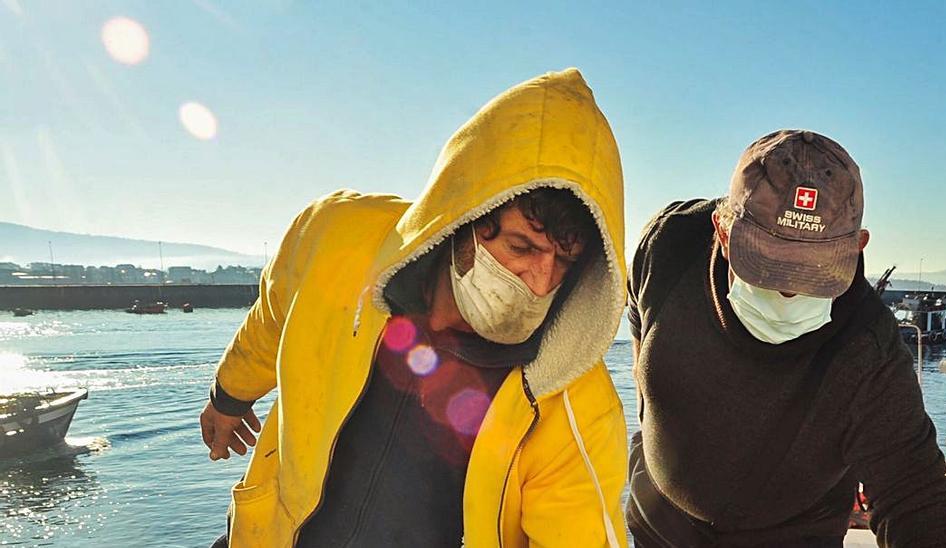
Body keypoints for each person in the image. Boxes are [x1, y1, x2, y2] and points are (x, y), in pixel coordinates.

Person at [200, 68, 628, 547]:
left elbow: (582, 530)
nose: (541, 281)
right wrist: (230, 396)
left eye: (565, 261)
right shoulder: (336, 237)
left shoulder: (572, 399)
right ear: (464, 216)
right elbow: (275, 313)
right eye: (522, 248)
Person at [626, 129, 946, 547]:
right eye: (767, 266)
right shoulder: (667, 245)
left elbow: (915, 497)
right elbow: (638, 323)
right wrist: (645, 428)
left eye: (815, 273)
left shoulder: (869, 348)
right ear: (722, 231)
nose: (789, 293)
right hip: (657, 527)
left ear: (856, 248)